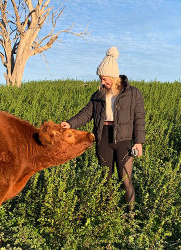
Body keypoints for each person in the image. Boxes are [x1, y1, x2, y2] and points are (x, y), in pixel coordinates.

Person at [61, 47, 146, 211]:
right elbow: (86, 114)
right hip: (103, 138)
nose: (102, 82)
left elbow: (139, 119)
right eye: (100, 79)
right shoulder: (98, 95)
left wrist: (139, 142)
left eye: (105, 79)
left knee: (125, 179)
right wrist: (70, 124)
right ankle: (107, 215)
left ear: (114, 76)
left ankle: (130, 217)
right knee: (104, 180)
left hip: (124, 140)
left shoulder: (133, 94)